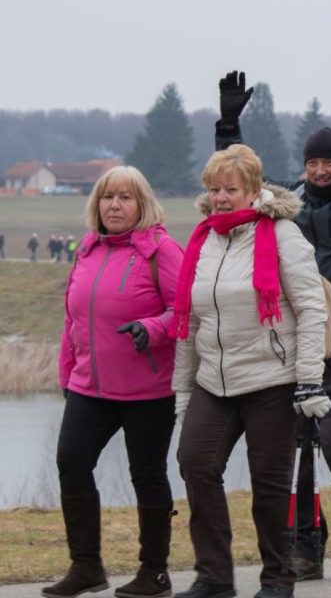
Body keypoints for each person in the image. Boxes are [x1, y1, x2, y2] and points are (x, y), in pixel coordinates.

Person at [213, 68, 331, 580]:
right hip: (294, 341)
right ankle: (305, 545)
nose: (320, 170)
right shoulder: (283, 207)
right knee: (293, 448)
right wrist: (229, 124)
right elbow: (236, 178)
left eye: (330, 162)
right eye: (313, 161)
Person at [172, 144, 331, 598]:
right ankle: (214, 577)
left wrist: (308, 382)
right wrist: (182, 390)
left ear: (254, 190)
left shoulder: (282, 235)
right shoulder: (204, 238)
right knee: (195, 464)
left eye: (230, 190)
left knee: (269, 484)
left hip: (272, 380)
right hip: (214, 381)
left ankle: (278, 579)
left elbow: (310, 309)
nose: (220, 198)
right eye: (214, 189)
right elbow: (190, 321)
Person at [44, 166, 184, 598]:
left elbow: (184, 312)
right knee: (71, 463)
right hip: (90, 388)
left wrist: (153, 328)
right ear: (96, 204)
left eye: (125, 198)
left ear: (142, 204)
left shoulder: (161, 250)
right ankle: (86, 567)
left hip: (148, 390)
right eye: (107, 197)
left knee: (147, 475)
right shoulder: (87, 250)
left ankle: (154, 572)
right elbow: (72, 320)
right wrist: (68, 374)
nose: (115, 205)